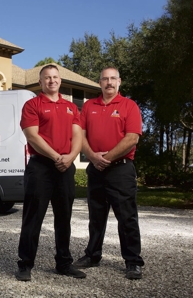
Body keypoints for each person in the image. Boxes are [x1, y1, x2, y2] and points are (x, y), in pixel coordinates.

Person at [74, 66, 145, 280]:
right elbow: (80, 135)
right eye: (105, 79)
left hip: (121, 169)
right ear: (100, 83)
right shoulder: (88, 106)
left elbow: (132, 138)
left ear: (119, 82)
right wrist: (93, 157)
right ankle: (93, 255)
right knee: (96, 216)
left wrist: (107, 157)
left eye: (113, 79)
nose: (109, 82)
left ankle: (133, 261)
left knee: (127, 217)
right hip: (95, 169)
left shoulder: (129, 106)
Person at [16, 64, 85, 281]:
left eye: (55, 77)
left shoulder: (72, 108)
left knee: (64, 217)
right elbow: (32, 136)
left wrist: (71, 157)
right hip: (41, 167)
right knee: (33, 217)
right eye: (47, 78)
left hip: (65, 167)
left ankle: (64, 263)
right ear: (40, 82)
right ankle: (25, 265)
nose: (52, 81)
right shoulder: (32, 105)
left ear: (60, 81)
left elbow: (78, 136)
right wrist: (57, 157)